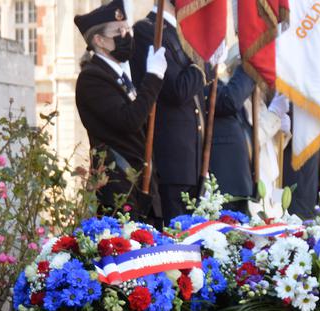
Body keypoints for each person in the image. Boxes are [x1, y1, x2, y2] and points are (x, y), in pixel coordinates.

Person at [74, 0, 167, 222]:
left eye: (127, 29)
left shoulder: (118, 75)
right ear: (99, 40)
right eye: (119, 31)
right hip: (118, 186)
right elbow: (129, 121)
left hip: (139, 184)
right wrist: (153, 78)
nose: (127, 36)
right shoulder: (92, 78)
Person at [131, 0, 214, 225]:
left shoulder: (180, 33)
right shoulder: (148, 31)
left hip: (191, 161)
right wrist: (203, 61)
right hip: (171, 161)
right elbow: (177, 90)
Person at [208, 61, 256, 215]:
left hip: (240, 180)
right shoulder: (205, 76)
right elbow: (229, 100)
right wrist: (250, 65)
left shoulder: (219, 80)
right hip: (224, 180)